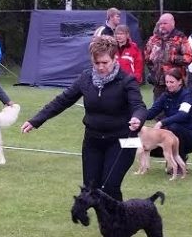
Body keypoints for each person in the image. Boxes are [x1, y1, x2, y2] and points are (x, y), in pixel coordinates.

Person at [21, 35, 147, 201]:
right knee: (90, 188)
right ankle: (108, 221)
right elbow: (62, 100)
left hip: (123, 140)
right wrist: (35, 120)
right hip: (93, 140)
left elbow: (139, 106)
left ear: (114, 59)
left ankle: (118, 223)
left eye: (105, 63)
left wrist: (138, 118)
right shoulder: (86, 78)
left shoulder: (127, 80)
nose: (101, 67)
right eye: (97, 63)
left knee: (109, 187)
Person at [145, 68, 192, 163]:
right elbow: (151, 113)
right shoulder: (165, 96)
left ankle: (180, 161)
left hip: (191, 137)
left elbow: (182, 115)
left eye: (172, 82)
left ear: (180, 81)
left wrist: (162, 122)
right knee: (143, 141)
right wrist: (136, 115)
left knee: (173, 127)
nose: (169, 85)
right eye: (167, 82)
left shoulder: (187, 96)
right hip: (171, 134)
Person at [144, 13, 192, 102]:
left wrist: (172, 58)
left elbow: (189, 57)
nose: (162, 26)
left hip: (175, 82)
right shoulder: (154, 39)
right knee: (158, 111)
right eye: (160, 23)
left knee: (177, 110)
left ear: (172, 23)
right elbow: (146, 56)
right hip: (158, 83)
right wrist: (153, 67)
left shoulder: (180, 38)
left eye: (165, 23)